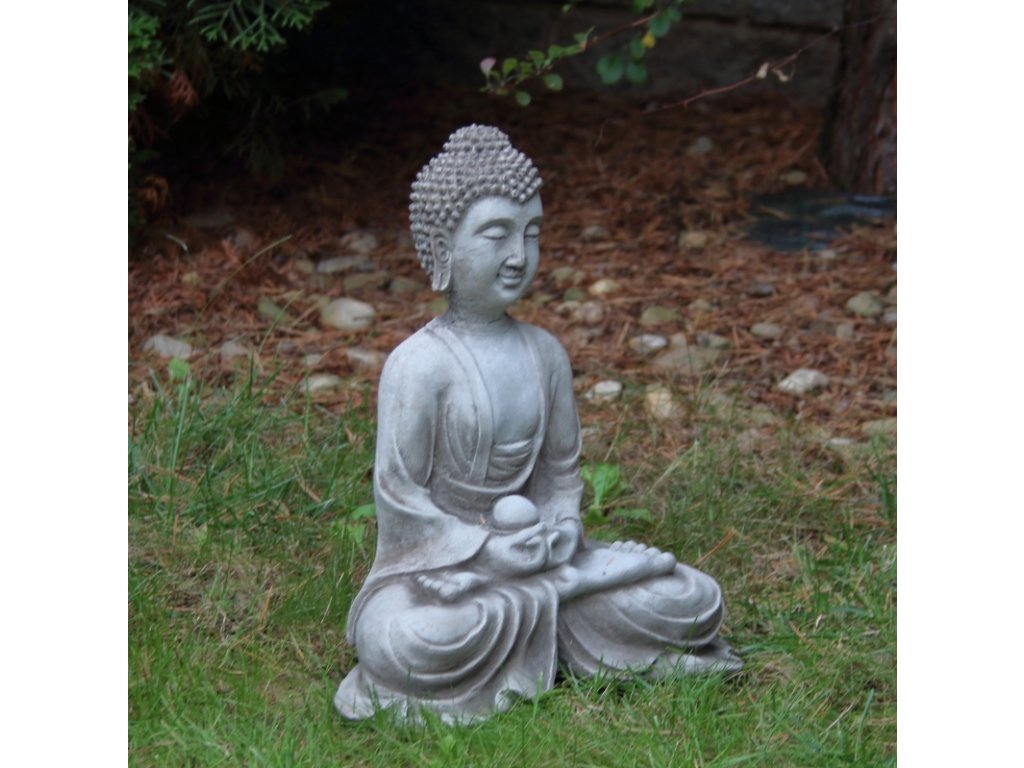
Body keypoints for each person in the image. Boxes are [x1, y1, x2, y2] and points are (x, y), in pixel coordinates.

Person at [334, 125, 740, 723]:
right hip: (445, 575)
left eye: (531, 233)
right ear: (443, 247)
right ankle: (580, 629)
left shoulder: (544, 353)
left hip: (542, 558)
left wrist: (563, 529)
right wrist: (486, 553)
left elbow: (560, 475)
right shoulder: (418, 365)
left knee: (693, 598)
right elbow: (400, 498)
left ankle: (571, 616)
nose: (519, 256)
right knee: (408, 639)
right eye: (496, 234)